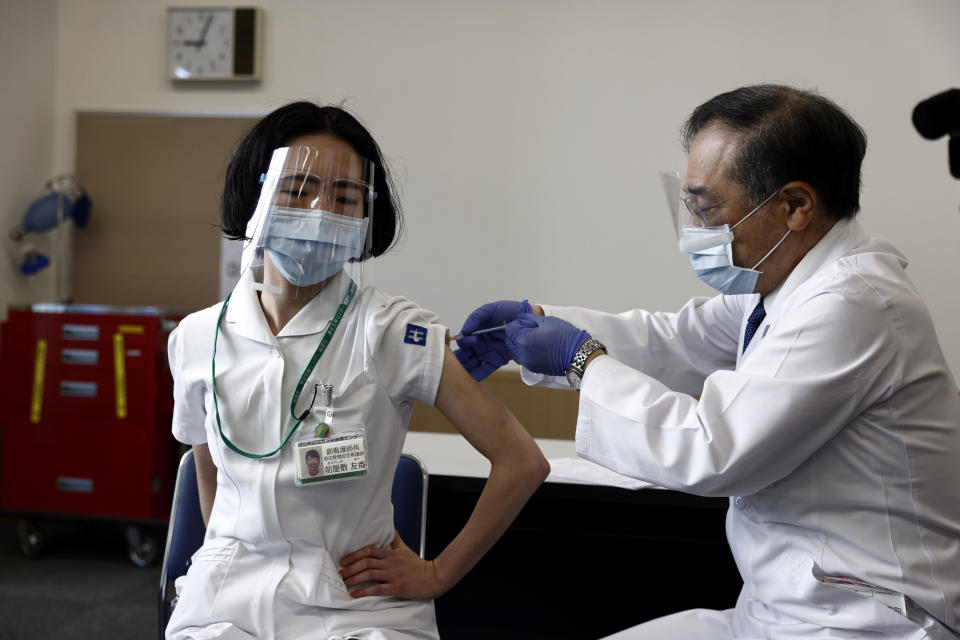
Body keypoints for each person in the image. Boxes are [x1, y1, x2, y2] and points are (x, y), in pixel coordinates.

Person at [455, 84, 960, 639]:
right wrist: (538, 320)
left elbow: (713, 449)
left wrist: (579, 358)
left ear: (794, 206)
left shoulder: (852, 303)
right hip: (784, 613)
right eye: (690, 207)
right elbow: (675, 341)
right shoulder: (786, 284)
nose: (696, 231)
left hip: (865, 623)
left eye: (708, 209)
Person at [166, 101, 549, 640]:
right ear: (255, 197)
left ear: (366, 217)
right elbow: (206, 467)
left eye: (345, 197)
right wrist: (226, 553)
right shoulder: (197, 337)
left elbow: (522, 461)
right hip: (224, 603)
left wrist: (437, 573)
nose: (321, 210)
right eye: (298, 189)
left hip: (355, 608)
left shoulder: (394, 330)